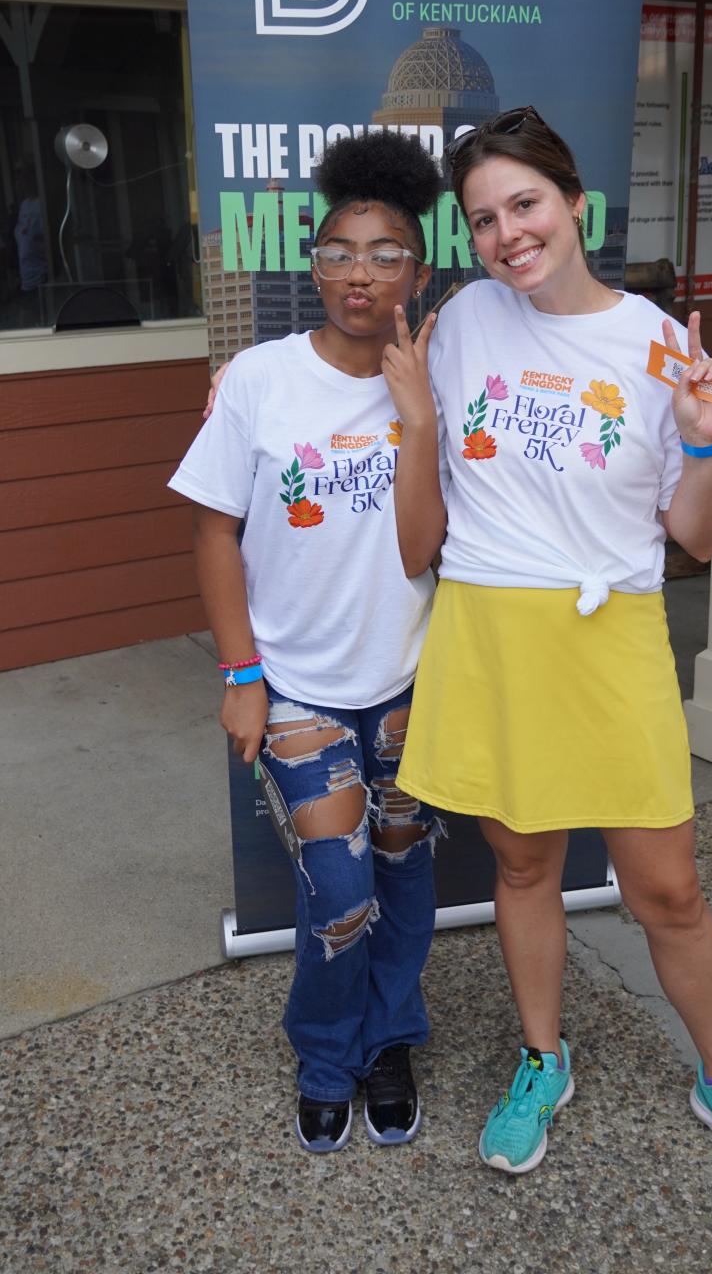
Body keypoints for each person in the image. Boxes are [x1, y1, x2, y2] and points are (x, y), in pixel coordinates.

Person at [382, 107, 712, 1197]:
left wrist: (706, 440)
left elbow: (699, 536)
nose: (506, 233)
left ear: (576, 204)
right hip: (488, 628)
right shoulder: (464, 318)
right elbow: (403, 471)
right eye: (482, 219)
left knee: (667, 887)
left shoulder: (656, 342)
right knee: (524, 864)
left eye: (524, 204)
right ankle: (541, 1059)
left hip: (607, 632)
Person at [169, 131, 445, 1154]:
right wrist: (241, 674)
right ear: (313, 262)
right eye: (339, 251)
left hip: (412, 680)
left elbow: (423, 549)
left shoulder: (433, 382)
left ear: (415, 272)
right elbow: (213, 529)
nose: (359, 273)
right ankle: (325, 1051)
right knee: (339, 892)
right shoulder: (258, 380)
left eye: (385, 255)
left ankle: (390, 1040)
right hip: (299, 689)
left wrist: (417, 422)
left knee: (405, 871)